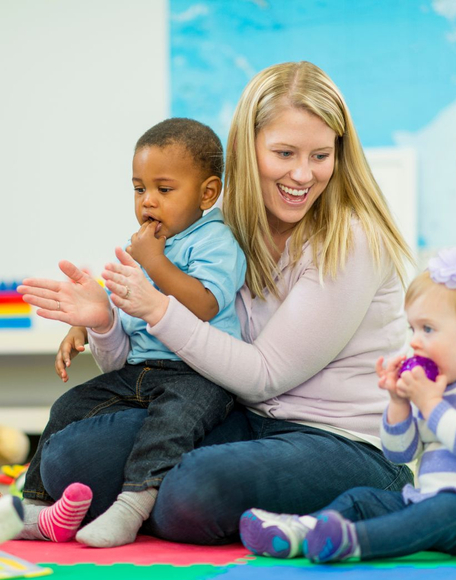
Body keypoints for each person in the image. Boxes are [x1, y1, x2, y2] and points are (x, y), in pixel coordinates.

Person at [17, 61, 414, 547]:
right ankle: (155, 502)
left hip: (341, 441)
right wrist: (103, 320)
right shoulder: (217, 227)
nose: (302, 174)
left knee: (195, 490)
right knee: (69, 460)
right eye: (284, 153)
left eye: (320, 155)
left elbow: (265, 374)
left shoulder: (352, 240)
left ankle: (377, 499)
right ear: (249, 152)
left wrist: (159, 308)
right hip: (241, 419)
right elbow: (136, 358)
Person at [18, 118, 246, 547]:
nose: (148, 202)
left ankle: (133, 504)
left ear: (207, 193)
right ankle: (37, 506)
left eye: (164, 189)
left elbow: (204, 304)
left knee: (170, 425)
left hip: (198, 375)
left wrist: (155, 261)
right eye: (140, 189)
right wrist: (87, 323)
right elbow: (128, 308)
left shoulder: (214, 241)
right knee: (71, 404)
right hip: (142, 369)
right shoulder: (147, 245)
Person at [239, 247, 456, 563]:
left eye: (428, 329)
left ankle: (353, 542)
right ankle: (302, 531)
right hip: (431, 503)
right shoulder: (437, 388)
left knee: (442, 510)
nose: (414, 340)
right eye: (413, 328)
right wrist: (399, 403)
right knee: (362, 499)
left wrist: (430, 404)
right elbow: (400, 454)